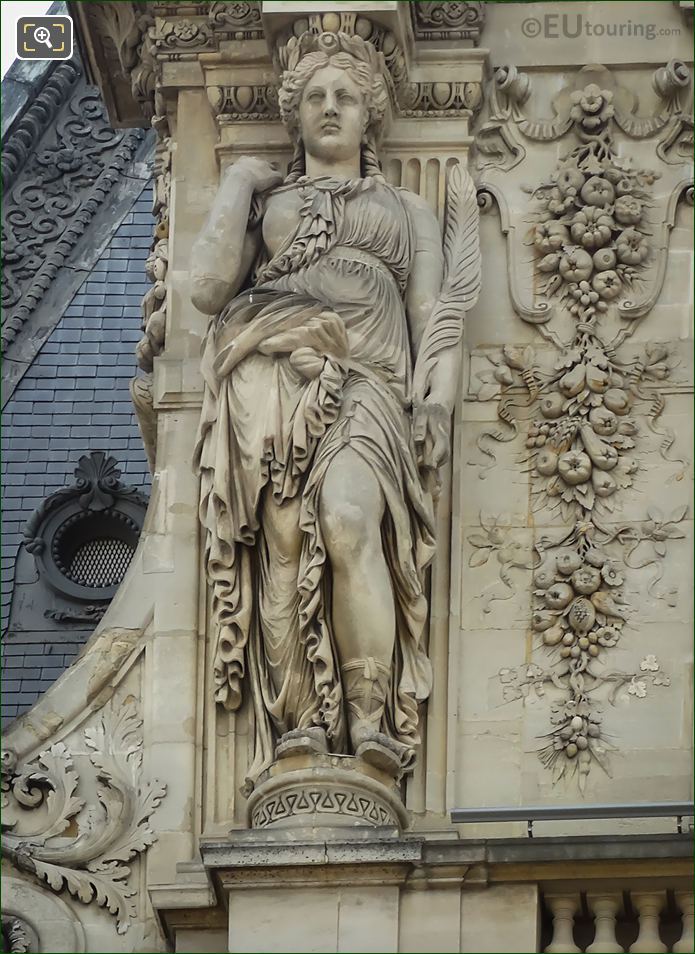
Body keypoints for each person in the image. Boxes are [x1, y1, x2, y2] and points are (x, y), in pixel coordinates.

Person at [191, 31, 460, 786]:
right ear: (295, 112)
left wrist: (434, 398)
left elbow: (432, 313)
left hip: (367, 381)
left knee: (346, 521)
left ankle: (369, 721)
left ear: (371, 111)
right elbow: (209, 293)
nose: (329, 107)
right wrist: (240, 183)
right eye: (314, 96)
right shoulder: (268, 202)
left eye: (344, 95)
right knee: (279, 545)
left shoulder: (404, 207)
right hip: (269, 380)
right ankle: (301, 729)